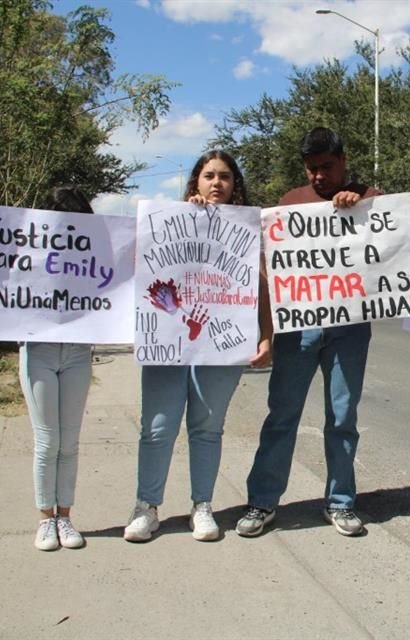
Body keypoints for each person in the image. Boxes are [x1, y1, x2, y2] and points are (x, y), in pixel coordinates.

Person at [236, 127, 380, 537]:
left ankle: (341, 502)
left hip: (349, 329)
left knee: (343, 417)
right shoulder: (289, 204)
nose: (319, 175)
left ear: (344, 160)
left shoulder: (371, 200)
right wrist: (265, 332)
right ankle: (262, 501)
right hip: (297, 330)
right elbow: (271, 269)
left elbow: (390, 253)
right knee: (282, 415)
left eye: (327, 167)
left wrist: (359, 208)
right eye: (311, 168)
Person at [123, 151, 273, 542]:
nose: (216, 183)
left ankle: (202, 506)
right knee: (157, 428)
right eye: (209, 175)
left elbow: (261, 286)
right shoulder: (168, 220)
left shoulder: (247, 228)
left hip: (221, 343)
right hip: (168, 342)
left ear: (235, 184)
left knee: (207, 428)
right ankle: (146, 507)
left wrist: (266, 335)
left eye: (224, 176)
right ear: (196, 182)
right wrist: (187, 217)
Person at [0, 186, 97, 551]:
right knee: (48, 441)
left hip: (78, 352)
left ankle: (65, 517)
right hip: (37, 351)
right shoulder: (26, 250)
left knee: (69, 441)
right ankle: (45, 519)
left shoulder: (94, 252)